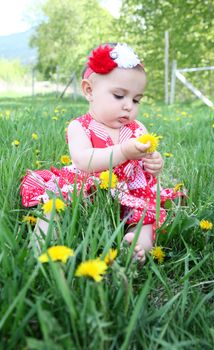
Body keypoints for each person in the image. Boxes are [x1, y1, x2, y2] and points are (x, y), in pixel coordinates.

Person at [21, 43, 180, 262]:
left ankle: (136, 246)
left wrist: (154, 163)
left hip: (128, 192)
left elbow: (144, 165)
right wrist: (123, 151)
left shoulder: (137, 128)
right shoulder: (80, 127)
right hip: (86, 190)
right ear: (89, 90)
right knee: (54, 205)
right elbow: (85, 161)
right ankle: (40, 248)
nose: (128, 106)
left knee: (146, 216)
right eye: (118, 95)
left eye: (136, 100)